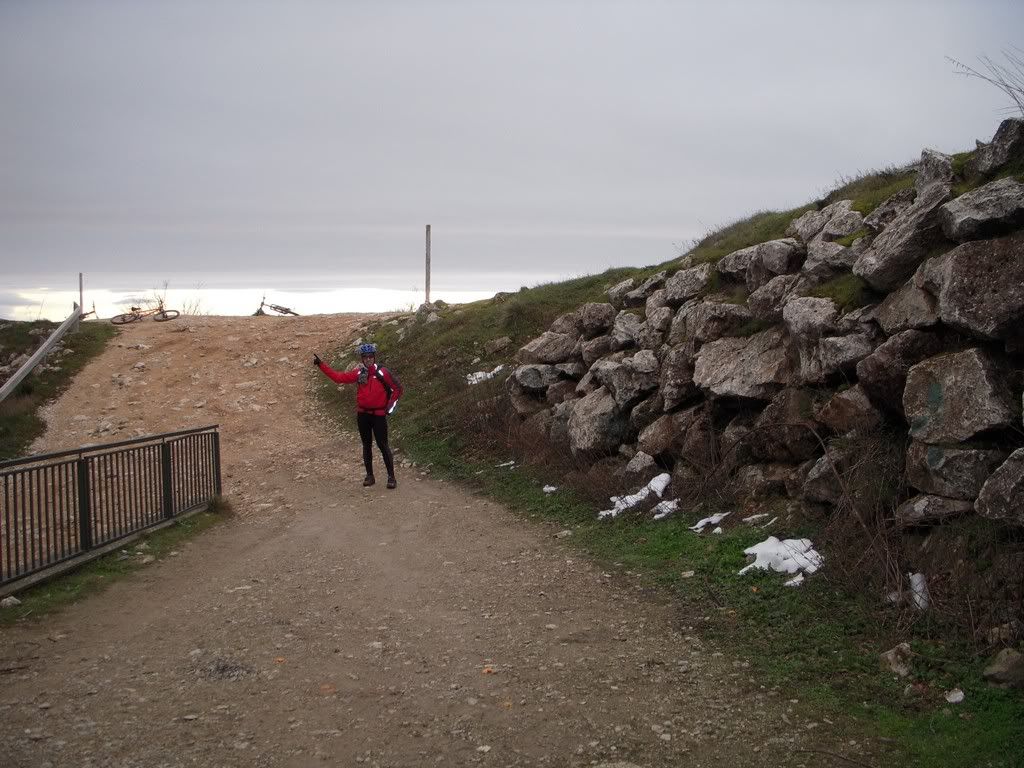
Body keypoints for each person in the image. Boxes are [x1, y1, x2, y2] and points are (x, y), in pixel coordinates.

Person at [314, 342, 403, 489]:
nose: (368, 359)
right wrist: (321, 365)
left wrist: (390, 408)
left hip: (379, 415)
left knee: (383, 445)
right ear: (362, 358)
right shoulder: (359, 373)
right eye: (365, 357)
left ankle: (391, 477)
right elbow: (338, 378)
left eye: (370, 356)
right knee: (366, 445)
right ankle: (369, 476)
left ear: (374, 357)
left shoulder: (383, 372)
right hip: (363, 415)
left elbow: (397, 389)